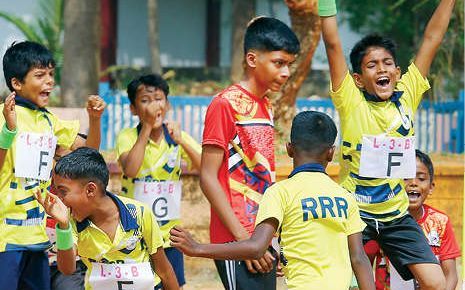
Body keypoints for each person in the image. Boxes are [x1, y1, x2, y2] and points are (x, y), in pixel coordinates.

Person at [318, 0, 455, 289]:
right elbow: (332, 44)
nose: (382, 69)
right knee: (344, 283)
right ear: (357, 79)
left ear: (398, 71)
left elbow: (432, 38)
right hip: (355, 216)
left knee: (437, 283)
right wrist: (325, 5)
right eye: (372, 65)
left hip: (395, 216)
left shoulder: (408, 94)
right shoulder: (350, 100)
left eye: (388, 63)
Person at [170, 111, 376, 290]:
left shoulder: (279, 192)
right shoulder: (345, 198)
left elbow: (256, 247)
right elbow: (358, 257)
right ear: (331, 153)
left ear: (289, 149)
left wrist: (198, 248)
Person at [200, 16, 300, 290]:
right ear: (252, 59)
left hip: (262, 233)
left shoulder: (265, 105)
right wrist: (245, 241)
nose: (286, 72)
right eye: (279, 63)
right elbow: (207, 177)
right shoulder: (224, 104)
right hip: (237, 238)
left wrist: (271, 237)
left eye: (289, 64)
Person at [0, 41, 105, 290]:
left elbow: (89, 153)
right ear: (16, 83)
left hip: (37, 238)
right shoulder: (3, 117)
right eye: (39, 75)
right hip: (5, 239)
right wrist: (9, 130)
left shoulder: (50, 121)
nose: (49, 80)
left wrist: (95, 119)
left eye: (51, 74)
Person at [34, 147, 179, 290]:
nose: (59, 200)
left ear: (90, 190)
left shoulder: (139, 213)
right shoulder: (71, 223)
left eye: (63, 192)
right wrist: (64, 227)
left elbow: (165, 271)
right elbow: (67, 269)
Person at [115, 73, 201, 289]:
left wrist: (182, 141)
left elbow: (204, 166)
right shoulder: (127, 136)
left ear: (167, 104)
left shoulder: (175, 137)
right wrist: (146, 128)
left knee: (174, 285)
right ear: (133, 109)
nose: (154, 106)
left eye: (159, 99)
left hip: (169, 235)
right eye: (145, 101)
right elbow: (131, 169)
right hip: (137, 235)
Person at [368, 149, 461, 290]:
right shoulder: (381, 221)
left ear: (431, 187)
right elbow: (364, 265)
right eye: (405, 178)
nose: (413, 183)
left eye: (421, 178)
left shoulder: (441, 222)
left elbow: (451, 275)